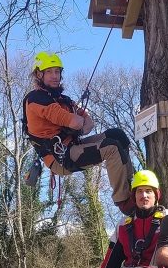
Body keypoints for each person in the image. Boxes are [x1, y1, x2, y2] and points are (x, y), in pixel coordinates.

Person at [23, 51, 136, 214]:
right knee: (111, 148)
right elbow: (76, 121)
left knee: (117, 135)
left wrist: (77, 125)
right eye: (49, 72)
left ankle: (131, 184)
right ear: (39, 74)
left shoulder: (63, 100)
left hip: (73, 146)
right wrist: (75, 123)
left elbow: (88, 123)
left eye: (57, 71)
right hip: (60, 157)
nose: (54, 76)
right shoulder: (36, 99)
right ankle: (123, 201)